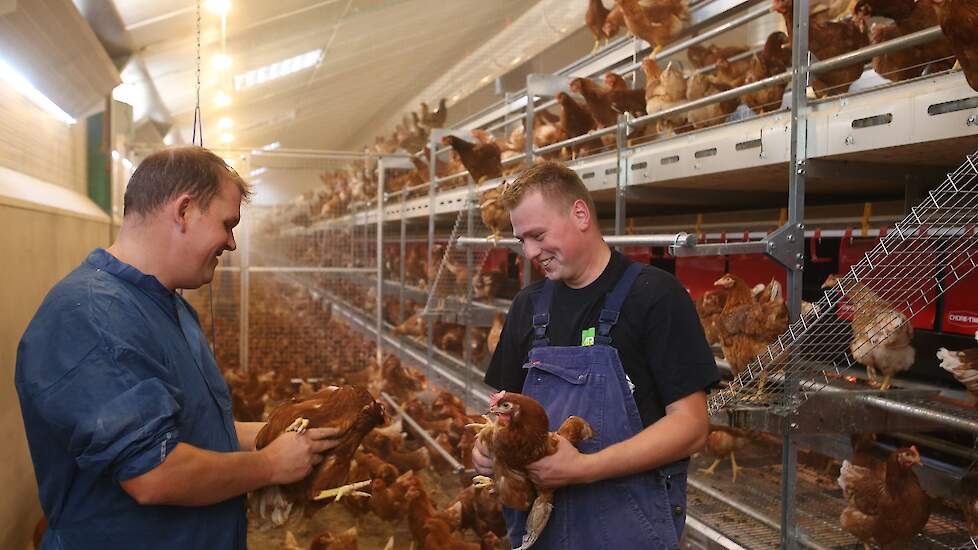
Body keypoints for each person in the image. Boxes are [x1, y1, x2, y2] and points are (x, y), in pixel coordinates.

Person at [15, 146, 339, 549]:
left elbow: (191, 430)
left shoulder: (168, 306)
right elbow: (154, 473)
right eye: (227, 223)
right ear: (184, 211)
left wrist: (283, 435)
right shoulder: (94, 317)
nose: (232, 243)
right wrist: (269, 465)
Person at [476, 161, 720, 549]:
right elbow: (501, 413)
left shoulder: (655, 296)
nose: (529, 252)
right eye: (521, 240)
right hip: (541, 531)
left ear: (580, 214)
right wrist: (488, 447)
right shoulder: (528, 306)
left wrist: (585, 468)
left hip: (627, 529)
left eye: (537, 235)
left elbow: (691, 428)